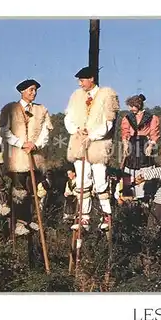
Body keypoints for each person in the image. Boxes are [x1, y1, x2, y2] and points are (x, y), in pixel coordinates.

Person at [64, 66, 120, 232]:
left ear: (91, 79)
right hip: (79, 142)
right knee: (82, 180)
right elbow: (69, 117)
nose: (80, 84)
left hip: (97, 144)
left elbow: (108, 122)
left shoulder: (107, 94)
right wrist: (76, 129)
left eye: (82, 80)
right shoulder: (76, 96)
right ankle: (84, 217)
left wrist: (93, 135)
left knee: (100, 180)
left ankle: (106, 215)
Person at [0, 79, 54, 236]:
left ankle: (30, 219)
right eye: (31, 90)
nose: (34, 93)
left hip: (34, 157)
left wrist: (35, 145)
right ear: (22, 91)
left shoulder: (41, 110)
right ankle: (19, 222)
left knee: (32, 189)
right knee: (19, 190)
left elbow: (45, 132)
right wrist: (21, 143)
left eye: (35, 90)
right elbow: (4, 131)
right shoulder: (10, 109)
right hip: (17, 157)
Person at [120, 93, 160, 201]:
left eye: (132, 106)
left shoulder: (151, 117)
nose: (131, 109)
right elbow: (125, 132)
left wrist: (151, 145)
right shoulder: (128, 118)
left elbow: (154, 133)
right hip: (132, 143)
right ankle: (128, 196)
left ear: (138, 105)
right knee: (129, 167)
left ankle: (145, 195)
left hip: (144, 143)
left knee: (145, 165)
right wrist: (125, 144)